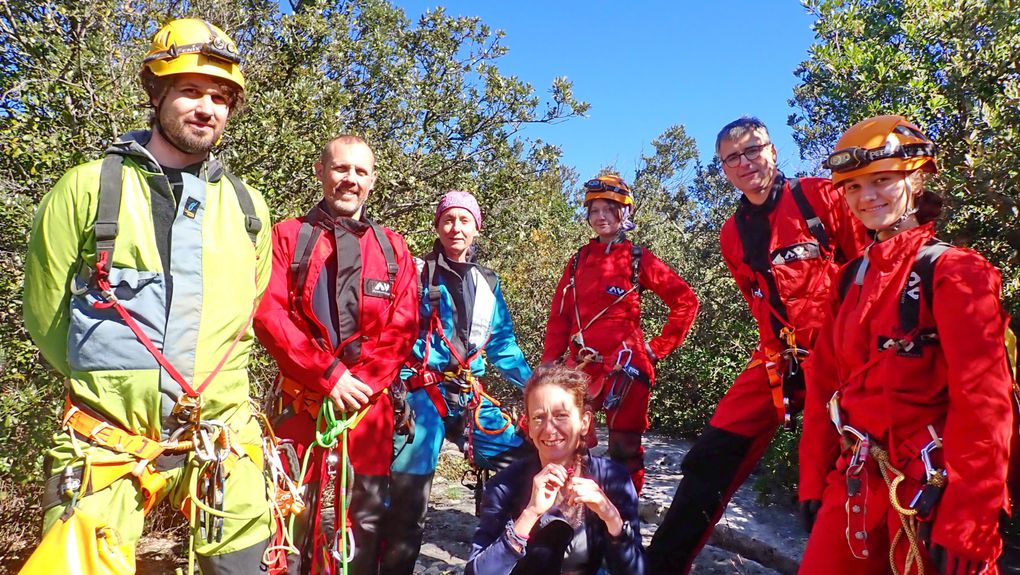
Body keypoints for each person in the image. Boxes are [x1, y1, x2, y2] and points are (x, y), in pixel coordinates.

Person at [21, 18, 273, 573]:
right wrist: (116, 383)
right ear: (155, 91)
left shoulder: (249, 208)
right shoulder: (87, 188)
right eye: (190, 90)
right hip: (104, 445)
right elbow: (45, 314)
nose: (208, 107)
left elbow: (247, 316)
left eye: (221, 97)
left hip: (223, 443)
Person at [647, 117, 868, 574]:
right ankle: (661, 567)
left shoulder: (819, 198)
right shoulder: (732, 234)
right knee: (710, 457)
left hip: (846, 355)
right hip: (779, 356)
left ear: (772, 150)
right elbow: (760, 304)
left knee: (855, 468)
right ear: (723, 169)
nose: (745, 163)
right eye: (732, 157)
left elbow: (871, 270)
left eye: (752, 150)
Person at [797, 115, 1013, 574]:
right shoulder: (849, 278)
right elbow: (824, 384)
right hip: (856, 481)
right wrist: (813, 481)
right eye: (852, 187)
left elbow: (985, 401)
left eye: (880, 181)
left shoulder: (955, 272)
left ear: (915, 180)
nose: (866, 197)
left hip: (932, 488)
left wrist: (971, 520)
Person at [253, 135, 418, 574]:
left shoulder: (392, 249)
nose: (350, 179)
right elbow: (269, 314)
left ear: (373, 181)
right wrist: (328, 375)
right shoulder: (288, 238)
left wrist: (359, 384)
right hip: (300, 404)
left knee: (359, 526)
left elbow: (403, 327)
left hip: (368, 412)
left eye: (360, 172)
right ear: (320, 172)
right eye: (341, 169)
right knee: (288, 516)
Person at [385, 190, 533, 573]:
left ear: (476, 228)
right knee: (407, 497)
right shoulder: (415, 273)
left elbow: (502, 344)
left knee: (528, 458)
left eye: (464, 220)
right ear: (437, 225)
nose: (456, 228)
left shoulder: (488, 283)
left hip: (469, 394)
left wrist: (535, 386)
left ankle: (504, 554)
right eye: (448, 219)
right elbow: (392, 332)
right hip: (421, 393)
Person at [543, 174, 699, 493]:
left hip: (625, 367)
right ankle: (571, 512)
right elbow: (559, 319)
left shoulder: (639, 259)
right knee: (568, 440)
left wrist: (656, 349)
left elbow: (685, 301)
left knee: (625, 447)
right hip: (582, 365)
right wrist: (548, 363)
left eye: (609, 210)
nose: (600, 216)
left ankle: (623, 518)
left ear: (623, 214)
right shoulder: (577, 263)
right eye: (594, 210)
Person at [466, 365, 644, 574]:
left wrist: (611, 517)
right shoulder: (505, 486)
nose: (549, 429)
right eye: (539, 417)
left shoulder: (612, 478)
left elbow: (636, 570)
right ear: (529, 426)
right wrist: (530, 514)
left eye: (561, 415)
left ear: (584, 422)